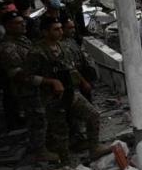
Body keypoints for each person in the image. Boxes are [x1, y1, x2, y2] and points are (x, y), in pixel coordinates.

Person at [27, 16, 100, 160]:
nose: (60, 32)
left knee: (93, 115)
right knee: (61, 133)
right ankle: (65, 163)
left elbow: (70, 68)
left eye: (61, 28)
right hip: (52, 98)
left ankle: (94, 148)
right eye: (56, 29)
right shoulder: (36, 52)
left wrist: (83, 81)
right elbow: (27, 77)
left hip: (70, 92)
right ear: (45, 32)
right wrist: (50, 81)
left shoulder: (63, 47)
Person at [0, 11, 57, 161]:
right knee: (37, 120)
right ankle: (40, 151)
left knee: (45, 117)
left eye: (22, 21)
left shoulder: (23, 40)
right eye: (18, 23)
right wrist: (46, 81)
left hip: (38, 87)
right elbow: (20, 76)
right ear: (7, 26)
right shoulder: (8, 48)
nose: (23, 24)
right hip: (27, 90)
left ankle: (47, 145)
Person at [62, 17, 96, 101]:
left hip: (82, 75)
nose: (73, 30)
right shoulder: (61, 45)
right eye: (69, 28)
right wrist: (84, 82)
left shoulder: (71, 40)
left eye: (73, 27)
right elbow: (71, 68)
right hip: (74, 81)